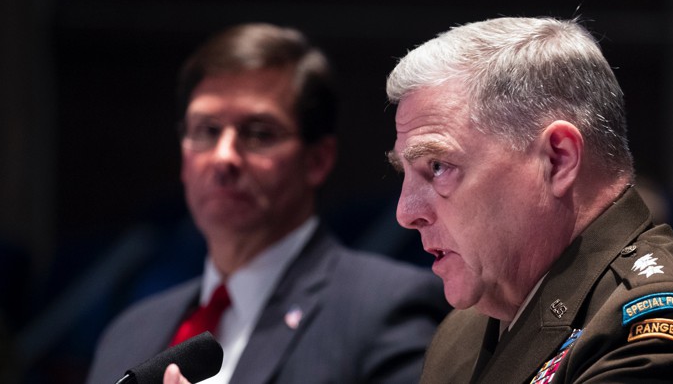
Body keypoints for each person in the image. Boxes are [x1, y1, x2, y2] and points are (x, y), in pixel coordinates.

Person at [384, 17, 673, 383]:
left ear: (558, 159)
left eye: (438, 166)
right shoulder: (463, 333)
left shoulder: (661, 332)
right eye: (406, 173)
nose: (406, 213)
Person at [87, 23, 449, 384]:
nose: (223, 156)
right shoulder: (129, 334)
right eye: (206, 131)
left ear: (317, 160)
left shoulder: (385, 307)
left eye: (259, 133)